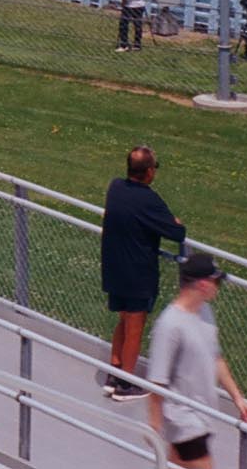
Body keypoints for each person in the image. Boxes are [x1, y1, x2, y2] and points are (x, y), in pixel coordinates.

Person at [147, 253, 247, 468]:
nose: (218, 287)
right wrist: (155, 426)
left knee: (175, 463)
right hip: (183, 419)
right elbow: (157, 381)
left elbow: (216, 358)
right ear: (203, 284)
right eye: (216, 282)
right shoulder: (169, 325)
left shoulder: (205, 312)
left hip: (203, 414)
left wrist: (237, 398)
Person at [100, 146, 186, 401]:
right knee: (135, 327)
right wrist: (176, 223)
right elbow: (177, 232)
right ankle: (126, 384)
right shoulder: (149, 200)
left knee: (124, 321)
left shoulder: (116, 188)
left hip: (114, 269)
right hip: (138, 274)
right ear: (149, 172)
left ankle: (113, 372)